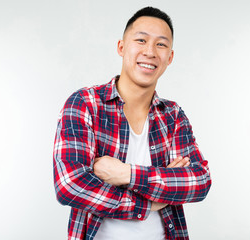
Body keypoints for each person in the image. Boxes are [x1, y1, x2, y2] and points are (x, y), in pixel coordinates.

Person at [53, 6, 211, 240]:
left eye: (161, 44)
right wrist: (151, 202)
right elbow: (70, 185)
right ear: (121, 47)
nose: (150, 51)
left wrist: (126, 174)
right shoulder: (85, 103)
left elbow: (199, 181)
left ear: (170, 57)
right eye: (141, 40)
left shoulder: (173, 115)